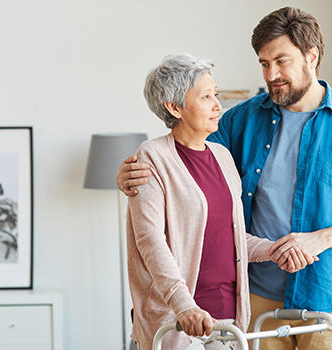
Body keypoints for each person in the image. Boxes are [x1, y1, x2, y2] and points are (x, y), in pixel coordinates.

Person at [118, 7, 332, 350]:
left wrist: (318, 240)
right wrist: (132, 174)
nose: (271, 74)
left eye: (281, 61)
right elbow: (183, 160)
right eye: (264, 63)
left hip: (328, 293)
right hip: (256, 296)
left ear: (312, 56)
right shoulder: (241, 121)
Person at [127, 54, 315, 350]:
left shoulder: (222, 157)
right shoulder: (152, 157)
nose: (218, 105)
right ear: (174, 107)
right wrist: (183, 306)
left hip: (229, 319)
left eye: (216, 94)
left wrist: (274, 249)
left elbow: (233, 238)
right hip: (178, 319)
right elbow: (150, 242)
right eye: (206, 97)